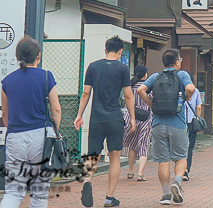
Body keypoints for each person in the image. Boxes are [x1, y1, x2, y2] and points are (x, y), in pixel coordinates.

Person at [74, 36, 136, 208]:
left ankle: (87, 180)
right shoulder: (123, 69)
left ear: (105, 49)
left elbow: (86, 93)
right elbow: (128, 95)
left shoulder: (93, 67)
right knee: (114, 156)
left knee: (93, 154)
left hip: (96, 119)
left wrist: (79, 115)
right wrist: (132, 117)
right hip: (115, 118)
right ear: (120, 51)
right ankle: (109, 197)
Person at [0, 36, 61, 208]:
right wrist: (54, 133)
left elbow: (5, 113)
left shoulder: (7, 81)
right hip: (41, 136)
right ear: (38, 56)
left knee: (13, 191)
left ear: (17, 57)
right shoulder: (46, 76)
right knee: (39, 191)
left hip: (15, 136)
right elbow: (56, 109)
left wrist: (13, 130)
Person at [137, 50, 195, 206]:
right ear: (176, 62)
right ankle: (177, 182)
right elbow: (191, 88)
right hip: (177, 123)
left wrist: (151, 105)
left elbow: (140, 90)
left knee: (163, 160)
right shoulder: (182, 75)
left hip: (158, 124)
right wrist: (185, 99)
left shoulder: (155, 76)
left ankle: (165, 195)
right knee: (181, 157)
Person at [122, 66, 152, 181]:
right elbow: (152, 101)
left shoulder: (129, 86)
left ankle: (130, 172)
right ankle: (140, 174)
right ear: (145, 75)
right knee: (143, 145)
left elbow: (125, 100)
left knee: (132, 145)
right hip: (145, 117)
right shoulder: (148, 87)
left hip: (131, 116)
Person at [182, 88, 203, 181]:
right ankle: (186, 169)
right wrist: (197, 117)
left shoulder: (179, 90)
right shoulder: (196, 91)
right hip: (191, 123)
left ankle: (180, 170)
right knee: (190, 147)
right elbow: (198, 107)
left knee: (180, 147)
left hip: (180, 123)